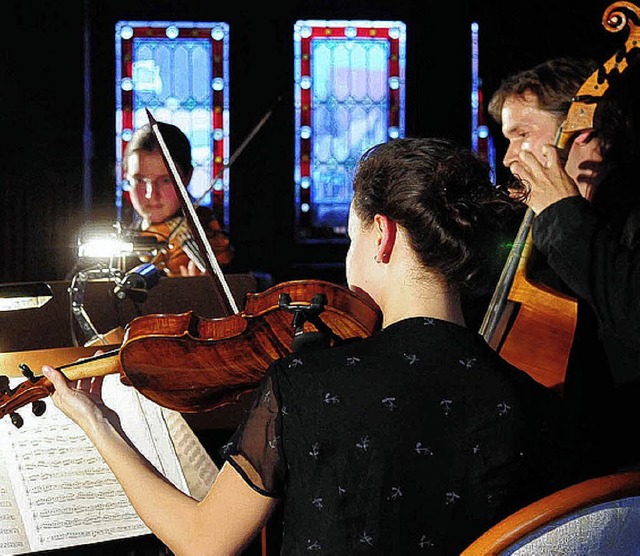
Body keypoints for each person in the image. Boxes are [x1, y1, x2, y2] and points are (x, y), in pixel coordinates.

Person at [40, 137, 574, 555]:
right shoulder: (535, 401)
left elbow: (203, 544)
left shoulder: (310, 385)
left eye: (351, 236)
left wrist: (98, 424)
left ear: (382, 236)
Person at [488, 56, 640, 474]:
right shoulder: (537, 227)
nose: (508, 158)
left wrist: (562, 212)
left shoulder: (628, 213)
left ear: (581, 133)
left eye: (522, 135)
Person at [122, 121, 234, 277]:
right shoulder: (120, 253)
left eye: (166, 180)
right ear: (126, 176)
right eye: (140, 180)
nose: (151, 194)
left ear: (187, 177)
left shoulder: (214, 238)